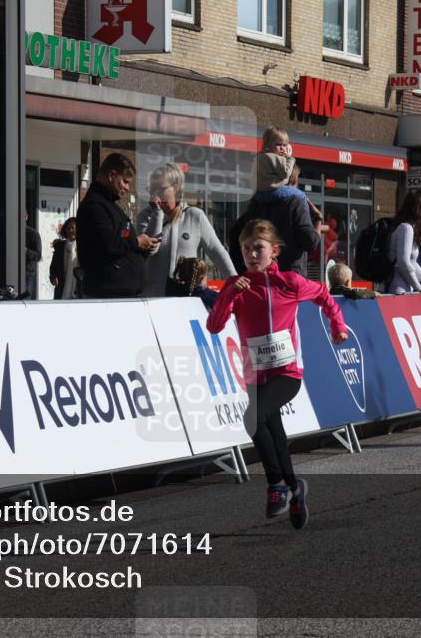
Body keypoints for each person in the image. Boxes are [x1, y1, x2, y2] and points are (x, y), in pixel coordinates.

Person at [207, 219, 347, 530]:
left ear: (275, 252)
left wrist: (337, 325)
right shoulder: (237, 287)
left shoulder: (290, 282)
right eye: (246, 250)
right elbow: (214, 326)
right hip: (255, 376)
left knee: (251, 418)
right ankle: (295, 488)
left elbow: (324, 295)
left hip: (287, 372)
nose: (252, 254)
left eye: (258, 248)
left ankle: (276, 486)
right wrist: (229, 294)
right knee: (276, 436)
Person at [229, 127, 321, 274]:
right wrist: (317, 221)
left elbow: (235, 237)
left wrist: (244, 272)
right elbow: (309, 242)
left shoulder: (257, 202)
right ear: (291, 180)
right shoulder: (295, 201)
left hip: (262, 277)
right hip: (290, 279)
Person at [135, 163, 235, 297]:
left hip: (185, 298)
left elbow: (217, 252)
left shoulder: (194, 215)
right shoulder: (145, 216)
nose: (154, 194)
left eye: (160, 189)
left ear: (175, 189)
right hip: (153, 298)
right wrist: (157, 213)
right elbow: (151, 249)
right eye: (151, 189)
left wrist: (235, 283)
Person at [76, 153, 160, 298]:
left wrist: (142, 247)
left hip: (122, 294)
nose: (127, 188)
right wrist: (137, 241)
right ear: (112, 175)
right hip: (108, 296)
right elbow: (110, 245)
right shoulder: (94, 206)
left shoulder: (111, 207)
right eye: (125, 182)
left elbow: (123, 241)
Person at [387, 193, 421, 299]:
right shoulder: (406, 228)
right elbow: (403, 262)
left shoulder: (407, 227)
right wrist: (419, 287)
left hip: (404, 289)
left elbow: (412, 263)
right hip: (399, 290)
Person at [49, 217, 80, 300]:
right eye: (68, 228)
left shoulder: (83, 247)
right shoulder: (60, 246)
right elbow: (53, 266)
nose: (70, 230)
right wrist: (53, 277)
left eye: (72, 228)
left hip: (78, 289)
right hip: (61, 289)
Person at [24, 213, 42, 298]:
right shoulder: (11, 231)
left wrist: (27, 251)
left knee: (26, 301)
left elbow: (38, 256)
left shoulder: (34, 234)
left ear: (26, 217)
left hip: (28, 273)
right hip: (12, 271)